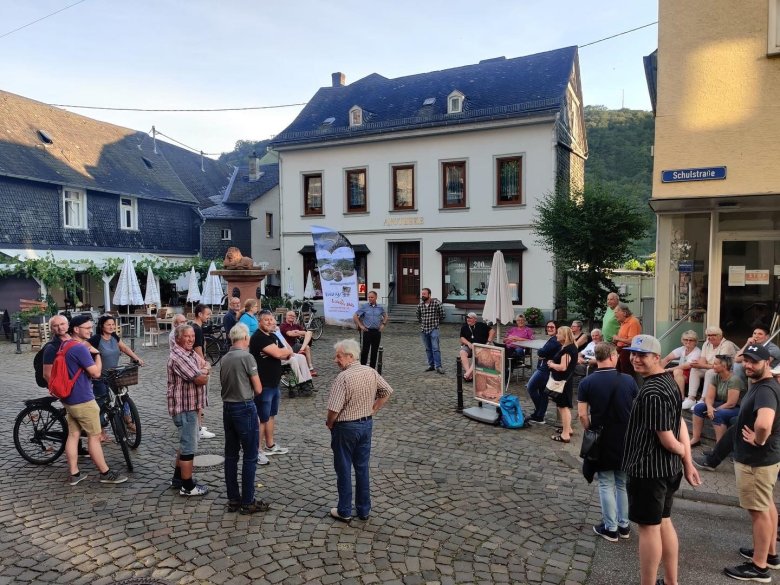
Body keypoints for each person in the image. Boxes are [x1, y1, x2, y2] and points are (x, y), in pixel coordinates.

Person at [622, 334, 701, 585]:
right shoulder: (669, 382)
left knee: (648, 529)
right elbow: (681, 425)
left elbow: (668, 438)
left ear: (657, 357)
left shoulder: (653, 391)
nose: (635, 359)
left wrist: (681, 452)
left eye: (642, 355)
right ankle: (671, 581)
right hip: (668, 470)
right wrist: (686, 462)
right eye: (633, 354)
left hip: (648, 470)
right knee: (664, 522)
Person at [723, 344, 780, 582]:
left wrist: (758, 439)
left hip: (756, 461)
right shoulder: (764, 385)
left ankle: (759, 567)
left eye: (754, 361)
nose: (747, 365)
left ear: (767, 362)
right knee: (766, 505)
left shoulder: (766, 389)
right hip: (766, 460)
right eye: (745, 360)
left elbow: (765, 423)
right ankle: (770, 554)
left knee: (758, 513)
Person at [326, 339, 393, 522]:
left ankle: (345, 510)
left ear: (350, 356)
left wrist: (330, 423)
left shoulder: (343, 377)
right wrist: (374, 409)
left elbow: (334, 408)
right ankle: (364, 510)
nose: (335, 360)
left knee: (344, 469)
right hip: (366, 425)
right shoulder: (370, 371)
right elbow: (386, 391)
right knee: (362, 468)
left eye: (338, 356)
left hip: (346, 427)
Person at [55, 315, 128, 486]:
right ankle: (105, 472)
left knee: (73, 435)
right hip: (83, 399)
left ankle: (74, 474)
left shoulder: (65, 344)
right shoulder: (80, 349)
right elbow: (95, 373)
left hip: (69, 398)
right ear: (76, 329)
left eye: (90, 327)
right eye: (86, 328)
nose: (90, 330)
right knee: (94, 437)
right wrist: (97, 355)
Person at [577, 342, 638, 541]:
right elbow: (637, 410)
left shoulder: (587, 382)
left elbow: (582, 415)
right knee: (622, 483)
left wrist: (589, 428)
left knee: (605, 483)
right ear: (613, 356)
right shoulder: (629, 380)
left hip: (602, 437)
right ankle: (624, 525)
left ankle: (610, 528)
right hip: (626, 438)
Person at [219, 323, 268, 515]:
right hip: (244, 407)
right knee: (250, 455)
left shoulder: (224, 358)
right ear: (246, 338)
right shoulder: (247, 357)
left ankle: (233, 499)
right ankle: (248, 501)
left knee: (231, 455)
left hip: (227, 407)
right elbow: (258, 388)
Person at [167, 324, 210, 496]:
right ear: (177, 338)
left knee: (184, 444)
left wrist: (204, 369)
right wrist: (204, 372)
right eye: (187, 336)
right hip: (184, 407)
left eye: (192, 336)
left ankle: (178, 479)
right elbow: (200, 379)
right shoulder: (179, 357)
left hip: (189, 406)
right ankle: (187, 486)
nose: (191, 339)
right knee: (188, 448)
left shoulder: (188, 353)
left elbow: (205, 363)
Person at [88, 314, 144, 441]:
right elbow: (84, 348)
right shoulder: (96, 339)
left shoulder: (114, 337)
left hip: (114, 374)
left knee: (124, 397)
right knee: (102, 402)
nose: (111, 326)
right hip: (99, 376)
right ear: (102, 326)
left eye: (113, 324)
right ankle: (100, 431)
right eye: (108, 324)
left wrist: (136, 358)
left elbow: (123, 348)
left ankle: (128, 421)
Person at [249, 311, 292, 461]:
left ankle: (270, 445)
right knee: (261, 418)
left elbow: (289, 352)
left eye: (271, 319)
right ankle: (257, 450)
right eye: (266, 320)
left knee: (271, 415)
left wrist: (279, 344)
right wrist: (279, 352)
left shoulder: (272, 336)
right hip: (263, 384)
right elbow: (281, 355)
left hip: (274, 383)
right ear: (259, 322)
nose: (269, 322)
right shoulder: (258, 338)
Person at [690, 354, 744, 447]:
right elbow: (709, 397)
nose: (712, 366)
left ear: (724, 366)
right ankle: (696, 439)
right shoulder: (715, 377)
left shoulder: (734, 380)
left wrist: (714, 410)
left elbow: (731, 403)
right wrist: (710, 407)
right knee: (698, 408)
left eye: (715, 364)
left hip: (737, 408)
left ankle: (719, 447)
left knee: (717, 414)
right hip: (722, 404)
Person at [683, 326, 739, 411]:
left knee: (710, 372)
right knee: (695, 369)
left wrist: (702, 365)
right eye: (708, 335)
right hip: (711, 366)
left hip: (725, 370)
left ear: (720, 336)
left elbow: (720, 366)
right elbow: (702, 361)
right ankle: (691, 398)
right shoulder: (706, 344)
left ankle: (703, 399)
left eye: (713, 335)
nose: (710, 337)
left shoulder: (727, 345)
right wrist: (698, 364)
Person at [546, 326, 579, 443]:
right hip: (564, 381)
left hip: (562, 382)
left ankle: (565, 435)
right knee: (562, 406)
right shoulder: (569, 347)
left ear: (565, 336)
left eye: (559, 334)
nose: (556, 335)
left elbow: (563, 367)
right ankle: (568, 429)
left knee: (563, 407)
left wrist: (551, 364)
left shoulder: (567, 349)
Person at [527, 321, 562, 425]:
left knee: (531, 387)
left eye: (552, 327)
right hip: (546, 368)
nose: (549, 328)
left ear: (557, 328)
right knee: (543, 392)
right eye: (548, 327)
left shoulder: (554, 340)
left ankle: (540, 411)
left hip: (545, 369)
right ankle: (540, 416)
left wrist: (542, 354)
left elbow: (541, 352)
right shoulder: (553, 339)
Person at [732, 324, 780, 388]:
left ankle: (749, 393)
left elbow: (761, 363)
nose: (756, 336)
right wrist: (747, 344)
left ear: (767, 337)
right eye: (754, 333)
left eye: (760, 334)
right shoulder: (753, 346)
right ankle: (741, 389)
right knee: (737, 365)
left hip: (768, 370)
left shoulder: (773, 348)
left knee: (751, 372)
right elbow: (737, 359)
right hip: (754, 367)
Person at [272, 322, 314, 392]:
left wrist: (291, 351)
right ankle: (301, 382)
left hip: (287, 353)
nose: (275, 325)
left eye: (274, 323)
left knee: (301, 357)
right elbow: (275, 350)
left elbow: (286, 343)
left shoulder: (277, 331)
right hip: (279, 356)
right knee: (293, 359)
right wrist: (287, 354)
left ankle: (307, 380)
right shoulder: (269, 335)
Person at [660, 330, 702, 397]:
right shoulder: (682, 349)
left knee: (677, 371)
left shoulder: (697, 352)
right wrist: (659, 370)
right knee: (664, 373)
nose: (688, 342)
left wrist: (670, 369)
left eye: (691, 340)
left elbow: (687, 366)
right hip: (680, 372)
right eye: (686, 339)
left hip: (692, 373)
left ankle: (680, 397)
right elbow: (667, 359)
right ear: (682, 340)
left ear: (695, 342)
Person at [353, 290, 388, 369]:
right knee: (365, 351)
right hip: (367, 331)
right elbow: (355, 316)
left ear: (376, 297)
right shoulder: (364, 307)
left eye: (372, 297)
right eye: (369, 297)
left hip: (376, 331)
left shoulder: (380, 307)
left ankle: (372, 369)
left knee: (374, 351)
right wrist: (361, 326)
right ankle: (362, 368)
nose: (370, 298)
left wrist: (383, 324)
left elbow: (385, 316)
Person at [416, 287, 446, 374]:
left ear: (429, 295)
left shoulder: (436, 303)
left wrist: (436, 322)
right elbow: (418, 316)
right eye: (422, 294)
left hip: (434, 328)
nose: (423, 295)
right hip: (424, 329)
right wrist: (423, 323)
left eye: (424, 294)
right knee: (428, 348)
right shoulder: (420, 305)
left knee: (435, 348)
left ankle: (438, 366)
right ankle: (431, 365)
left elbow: (443, 314)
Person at [458, 312, 495, 381]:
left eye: (470, 318)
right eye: (467, 318)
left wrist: (489, 341)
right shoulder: (464, 327)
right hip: (469, 346)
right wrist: (468, 343)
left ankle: (468, 374)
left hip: (481, 347)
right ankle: (468, 372)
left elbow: (492, 331)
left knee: (478, 354)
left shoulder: (481, 325)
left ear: (475, 319)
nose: (468, 319)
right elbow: (462, 338)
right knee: (462, 352)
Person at [280, 310, 317, 375]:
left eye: (293, 316)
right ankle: (302, 350)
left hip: (295, 345)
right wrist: (298, 332)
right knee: (307, 345)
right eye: (290, 315)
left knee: (309, 333)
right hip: (287, 347)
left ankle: (310, 368)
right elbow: (290, 334)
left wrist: (297, 331)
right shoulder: (283, 325)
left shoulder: (296, 325)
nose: (292, 317)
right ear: (286, 316)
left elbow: (306, 332)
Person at [612, 304, 642, 377]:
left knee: (626, 374)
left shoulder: (633, 322)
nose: (614, 315)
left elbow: (633, 341)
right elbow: (623, 338)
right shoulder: (623, 322)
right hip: (621, 351)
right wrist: (616, 341)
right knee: (618, 373)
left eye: (616, 312)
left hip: (628, 351)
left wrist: (617, 338)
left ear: (624, 313)